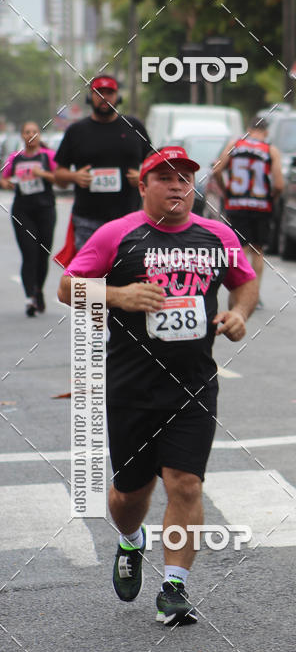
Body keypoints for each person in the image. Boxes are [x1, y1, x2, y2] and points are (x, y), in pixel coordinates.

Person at [57, 146, 258, 626]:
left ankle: (174, 587)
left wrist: (239, 313)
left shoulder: (217, 235)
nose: (177, 186)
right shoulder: (117, 234)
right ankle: (131, 540)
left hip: (193, 384)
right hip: (131, 385)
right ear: (143, 186)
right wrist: (118, 294)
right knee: (130, 494)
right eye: (165, 178)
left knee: (185, 483)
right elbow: (67, 287)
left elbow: (245, 280)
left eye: (184, 178)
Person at [54, 75, 151, 252]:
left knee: (127, 268)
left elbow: (154, 166)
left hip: (129, 218)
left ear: (118, 97)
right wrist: (74, 177)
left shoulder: (134, 126)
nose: (104, 97)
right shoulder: (76, 131)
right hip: (87, 220)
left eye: (109, 93)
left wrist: (142, 176)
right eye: (99, 93)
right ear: (90, 97)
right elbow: (59, 176)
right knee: (89, 269)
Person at [213, 117, 284, 303]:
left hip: (237, 204)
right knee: (257, 250)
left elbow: (217, 170)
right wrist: (272, 198)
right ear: (266, 132)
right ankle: (254, 294)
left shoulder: (234, 145)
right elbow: (279, 184)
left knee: (239, 248)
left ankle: (239, 289)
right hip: (261, 206)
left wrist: (226, 191)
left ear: (248, 129)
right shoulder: (270, 150)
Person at [0, 122, 57, 316]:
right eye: (27, 132)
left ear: (39, 135)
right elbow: (4, 177)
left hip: (45, 209)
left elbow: (60, 178)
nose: (30, 135)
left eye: (34, 132)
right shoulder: (15, 158)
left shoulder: (48, 156)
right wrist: (5, 183)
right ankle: (30, 297)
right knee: (29, 253)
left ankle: (38, 289)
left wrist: (43, 174)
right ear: (22, 136)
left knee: (43, 253)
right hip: (22, 211)